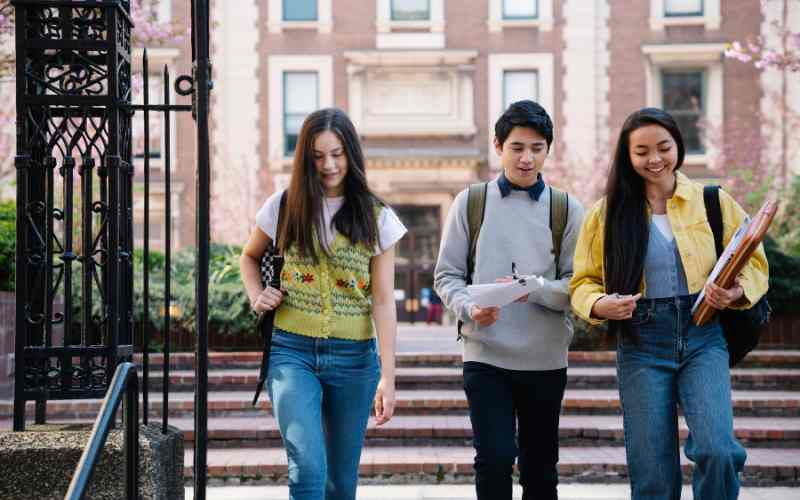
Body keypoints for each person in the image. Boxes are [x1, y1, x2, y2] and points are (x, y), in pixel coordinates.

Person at [569, 107, 769, 500]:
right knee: (654, 477)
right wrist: (599, 305)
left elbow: (756, 264)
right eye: (641, 151)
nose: (654, 159)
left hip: (704, 335)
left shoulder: (713, 201)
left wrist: (735, 293)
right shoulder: (606, 214)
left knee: (718, 451)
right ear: (627, 157)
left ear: (678, 145)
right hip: (641, 342)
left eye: (664, 147)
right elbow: (582, 282)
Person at [239, 108, 407, 500]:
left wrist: (389, 376)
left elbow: (383, 301)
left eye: (337, 153)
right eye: (317, 155)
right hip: (292, 352)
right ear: (304, 158)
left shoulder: (376, 217)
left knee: (340, 482)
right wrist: (256, 296)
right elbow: (249, 257)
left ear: (351, 153)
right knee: (308, 469)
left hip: (355, 360)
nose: (329, 165)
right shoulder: (282, 207)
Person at [434, 100, 585, 500]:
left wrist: (533, 287)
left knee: (540, 467)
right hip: (485, 355)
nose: (526, 157)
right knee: (494, 458)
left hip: (546, 358)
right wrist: (469, 307)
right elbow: (446, 275)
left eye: (537, 147)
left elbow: (580, 285)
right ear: (498, 146)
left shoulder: (566, 209)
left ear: (547, 150)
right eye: (517, 147)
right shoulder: (471, 202)